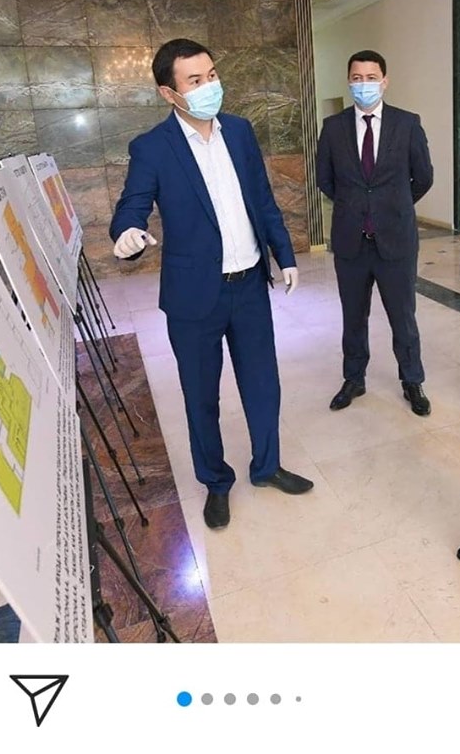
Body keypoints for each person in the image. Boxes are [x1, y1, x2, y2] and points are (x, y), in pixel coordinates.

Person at [109, 38, 313, 531]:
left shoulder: (240, 132)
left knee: (263, 384)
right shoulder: (153, 148)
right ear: (169, 93)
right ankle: (216, 482)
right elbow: (132, 205)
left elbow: (263, 199)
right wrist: (127, 233)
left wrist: (284, 256)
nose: (209, 87)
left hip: (249, 287)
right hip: (194, 297)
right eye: (195, 81)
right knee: (201, 396)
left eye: (212, 75)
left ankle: (267, 466)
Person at [315, 50, 433, 416]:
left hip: (395, 240)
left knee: (403, 317)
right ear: (348, 81)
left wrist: (392, 206)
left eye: (370, 77)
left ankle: (412, 380)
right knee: (353, 317)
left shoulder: (407, 123)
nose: (363, 84)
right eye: (357, 78)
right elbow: (325, 179)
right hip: (351, 242)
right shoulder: (333, 128)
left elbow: (423, 177)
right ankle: (354, 378)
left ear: (384, 81)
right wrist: (356, 206)